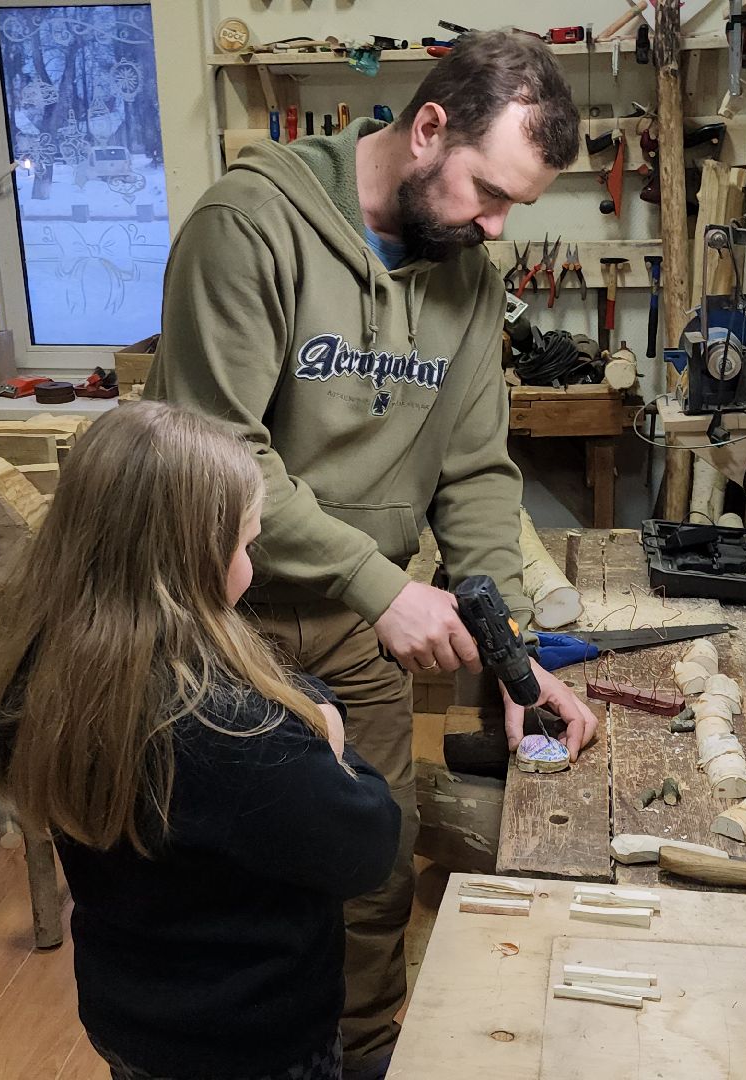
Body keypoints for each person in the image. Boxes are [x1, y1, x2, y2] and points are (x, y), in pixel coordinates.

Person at [146, 28, 598, 1078]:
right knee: (225, 892)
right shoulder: (247, 227)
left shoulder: (466, 275)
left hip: (358, 627)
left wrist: (511, 659)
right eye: (487, 192)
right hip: (219, 620)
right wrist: (379, 582)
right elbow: (219, 455)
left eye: (512, 210)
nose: (494, 226)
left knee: (371, 869)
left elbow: (477, 474)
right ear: (427, 127)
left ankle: (359, 1061)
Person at [0, 401, 402, 1080]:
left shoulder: (39, 671)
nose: (252, 568)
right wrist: (330, 731)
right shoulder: (231, 731)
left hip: (133, 1020)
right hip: (253, 1043)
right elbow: (369, 848)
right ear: (192, 553)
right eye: (245, 543)